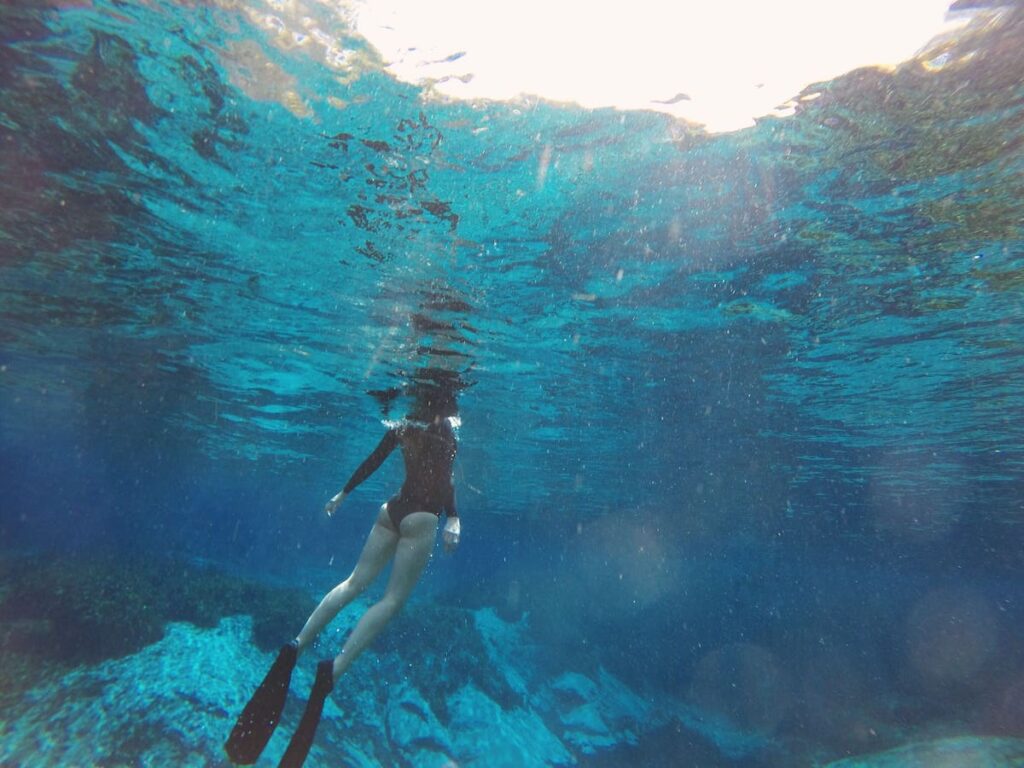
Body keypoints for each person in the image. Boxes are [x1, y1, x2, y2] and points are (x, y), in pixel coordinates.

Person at [225, 390, 462, 767]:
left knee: (354, 583)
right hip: (422, 518)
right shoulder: (448, 429)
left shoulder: (405, 425)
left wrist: (343, 493)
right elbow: (445, 479)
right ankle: (333, 671)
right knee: (391, 601)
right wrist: (453, 516)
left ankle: (297, 644)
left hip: (391, 510)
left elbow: (373, 460)